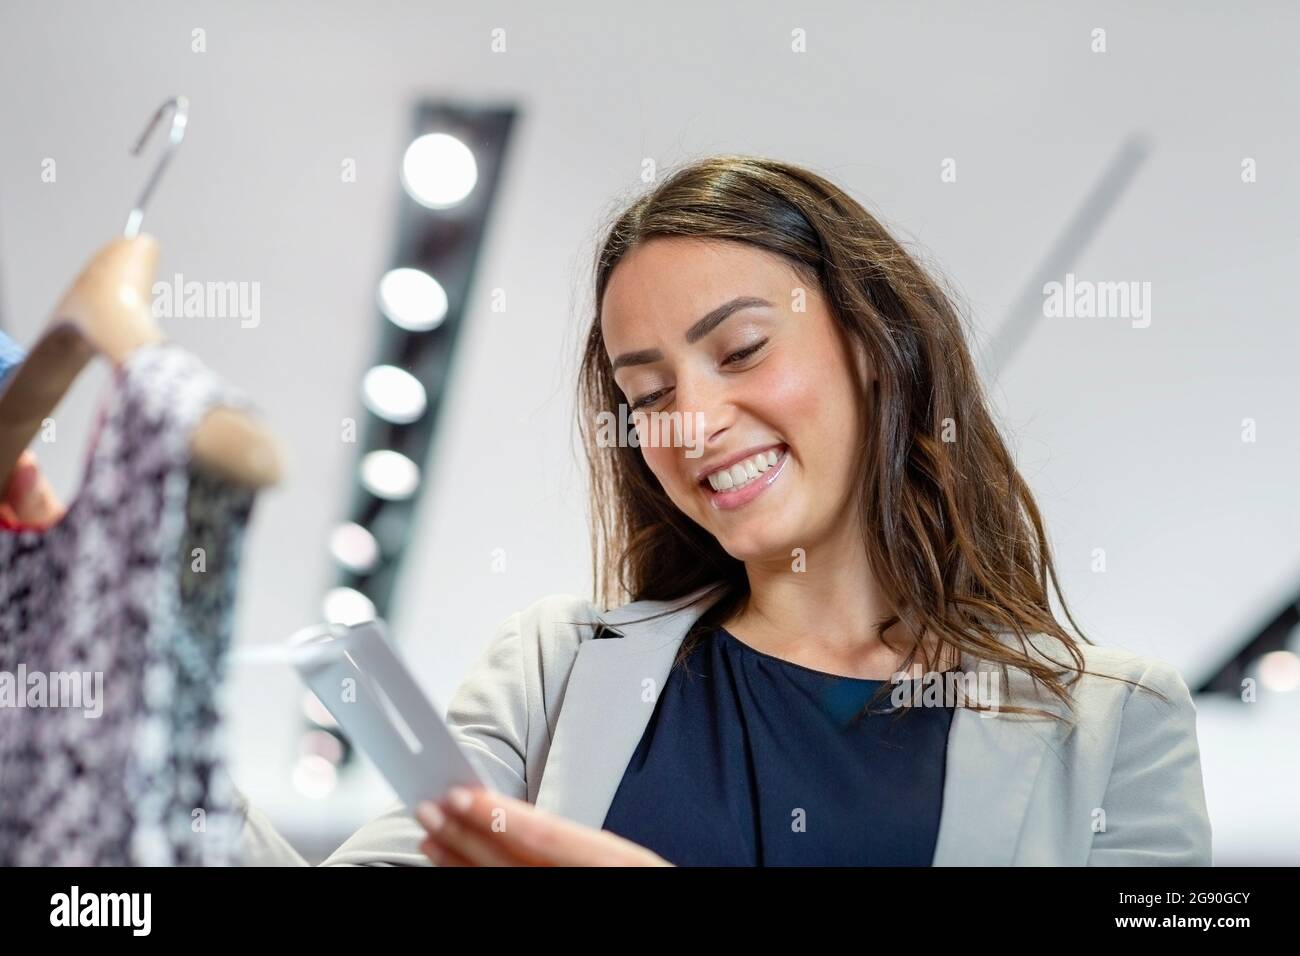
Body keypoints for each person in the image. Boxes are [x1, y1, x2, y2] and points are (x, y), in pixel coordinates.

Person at [2, 156, 1213, 866]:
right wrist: (91, 661)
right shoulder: (554, 670)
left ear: (874, 344)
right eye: (649, 392)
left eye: (741, 349)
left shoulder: (1113, 727)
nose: (693, 421)